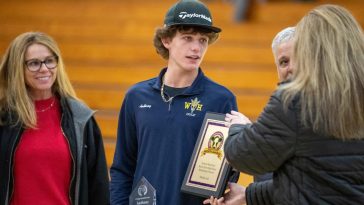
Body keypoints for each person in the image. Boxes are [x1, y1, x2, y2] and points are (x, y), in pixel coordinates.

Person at [206, 4, 364, 205]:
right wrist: (250, 195)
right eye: (283, 62)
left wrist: (239, 128)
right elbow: (321, 180)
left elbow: (243, 156)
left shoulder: (294, 99)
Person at [109, 0, 238, 204]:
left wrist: (220, 194)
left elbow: (228, 169)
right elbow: (122, 168)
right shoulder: (136, 96)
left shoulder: (221, 99)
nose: (196, 48)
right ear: (166, 40)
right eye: (187, 38)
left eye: (203, 40)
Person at [0, 32, 110, 205]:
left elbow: (99, 187)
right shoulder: (4, 118)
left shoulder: (81, 118)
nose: (44, 69)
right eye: (34, 63)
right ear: (17, 67)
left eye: (50, 61)